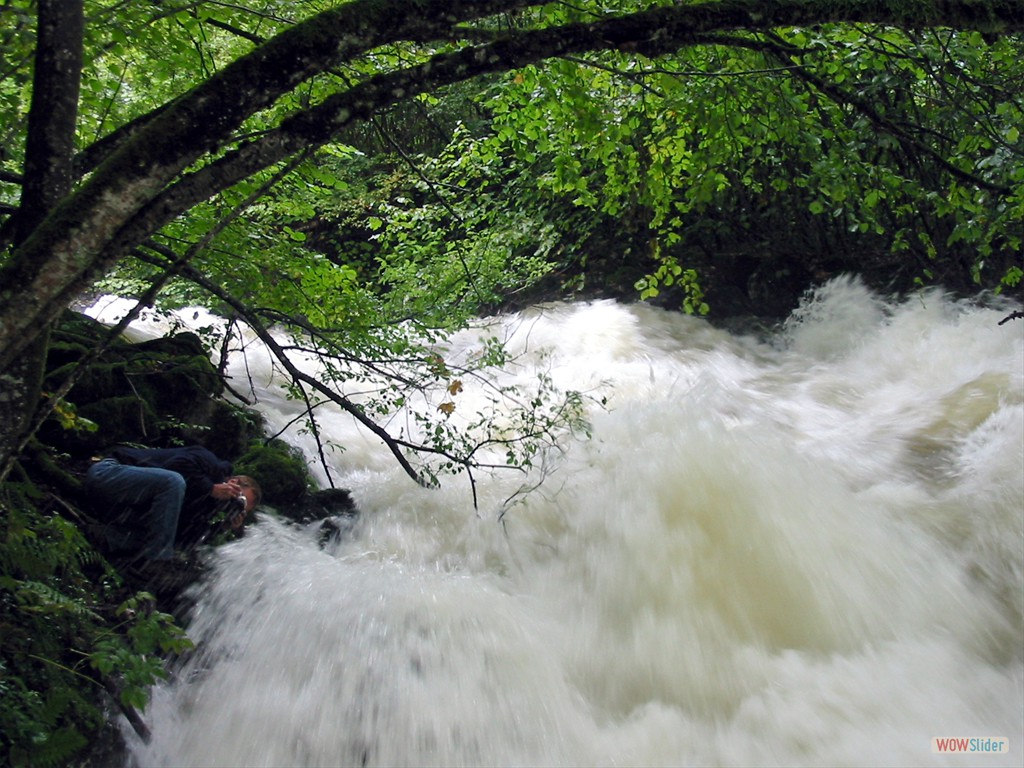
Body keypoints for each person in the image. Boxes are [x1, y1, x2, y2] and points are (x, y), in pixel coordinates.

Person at [85, 445, 261, 578]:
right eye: (239, 498)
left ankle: (106, 537)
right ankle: (156, 562)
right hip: (110, 474)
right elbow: (174, 466)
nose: (234, 502)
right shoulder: (209, 463)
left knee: (166, 534)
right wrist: (211, 488)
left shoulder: (204, 506)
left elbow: (183, 539)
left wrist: (223, 526)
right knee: (173, 481)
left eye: (240, 506)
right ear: (234, 482)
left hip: (117, 505)